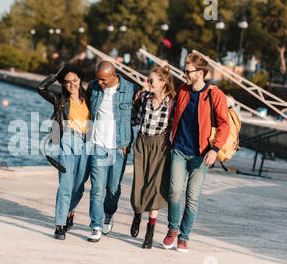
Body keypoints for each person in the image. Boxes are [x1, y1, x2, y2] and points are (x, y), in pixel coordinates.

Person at [163, 53, 230, 253]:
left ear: (200, 73)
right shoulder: (182, 89)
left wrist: (215, 149)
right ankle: (172, 230)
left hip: (202, 154)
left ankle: (184, 236)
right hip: (179, 149)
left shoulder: (215, 94)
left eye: (188, 71)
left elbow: (225, 124)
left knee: (192, 197)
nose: (184, 74)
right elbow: (170, 111)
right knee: (174, 191)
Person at [37, 65, 91, 240]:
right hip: (67, 140)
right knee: (66, 184)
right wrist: (56, 75)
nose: (71, 85)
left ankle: (69, 211)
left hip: (86, 142)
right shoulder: (60, 99)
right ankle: (59, 224)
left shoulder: (89, 98)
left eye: (74, 80)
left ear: (80, 80)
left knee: (79, 187)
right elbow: (41, 88)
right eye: (67, 82)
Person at [87, 61, 136, 242]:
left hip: (119, 146)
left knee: (113, 188)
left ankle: (109, 213)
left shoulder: (130, 90)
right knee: (97, 188)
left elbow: (137, 115)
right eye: (97, 79)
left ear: (113, 75)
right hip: (98, 145)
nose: (99, 82)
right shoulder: (93, 88)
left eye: (103, 80)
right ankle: (95, 225)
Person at [130, 65, 176, 249]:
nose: (148, 83)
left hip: (160, 146)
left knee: (154, 188)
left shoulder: (172, 102)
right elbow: (135, 120)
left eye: (151, 81)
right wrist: (133, 103)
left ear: (163, 82)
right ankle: (137, 214)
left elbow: (175, 125)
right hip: (142, 143)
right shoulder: (145, 99)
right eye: (148, 80)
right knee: (139, 183)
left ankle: (149, 232)